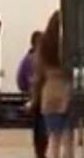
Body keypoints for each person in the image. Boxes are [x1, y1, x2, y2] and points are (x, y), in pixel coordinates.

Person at [34, 11, 73, 158]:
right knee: (68, 140)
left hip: (49, 92)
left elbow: (38, 74)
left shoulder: (44, 44)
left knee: (53, 139)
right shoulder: (68, 44)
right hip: (66, 91)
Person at [18, 31, 48, 158]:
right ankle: (43, 149)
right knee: (44, 124)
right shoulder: (45, 59)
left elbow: (20, 80)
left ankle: (39, 150)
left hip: (33, 96)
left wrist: (27, 89)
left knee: (37, 124)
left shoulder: (26, 60)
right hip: (44, 95)